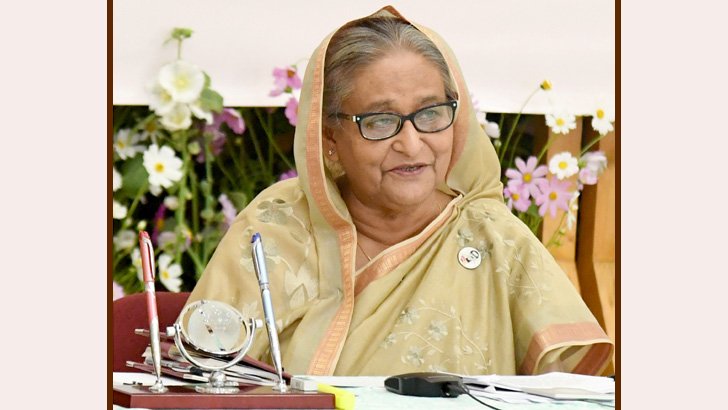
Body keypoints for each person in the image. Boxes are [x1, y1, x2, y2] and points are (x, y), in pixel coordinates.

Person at [187, 6, 613, 376]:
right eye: (379, 121)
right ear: (330, 138)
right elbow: (201, 374)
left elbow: (566, 391)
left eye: (430, 114)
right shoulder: (277, 226)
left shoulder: (494, 241)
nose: (411, 144)